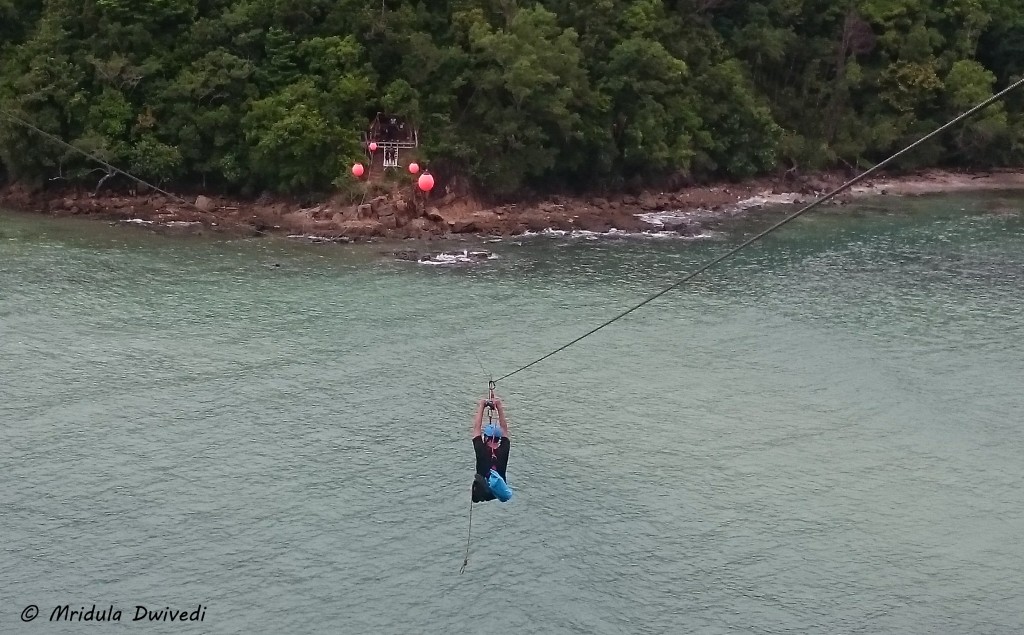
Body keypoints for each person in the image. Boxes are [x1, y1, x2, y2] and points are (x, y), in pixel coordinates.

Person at [471, 394, 512, 503]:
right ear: (498, 438)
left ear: (486, 437)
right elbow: (504, 429)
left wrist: (481, 405)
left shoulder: (481, 449)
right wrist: (499, 406)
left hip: (483, 492)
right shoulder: (504, 449)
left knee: (478, 483)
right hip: (496, 492)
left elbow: (476, 427)